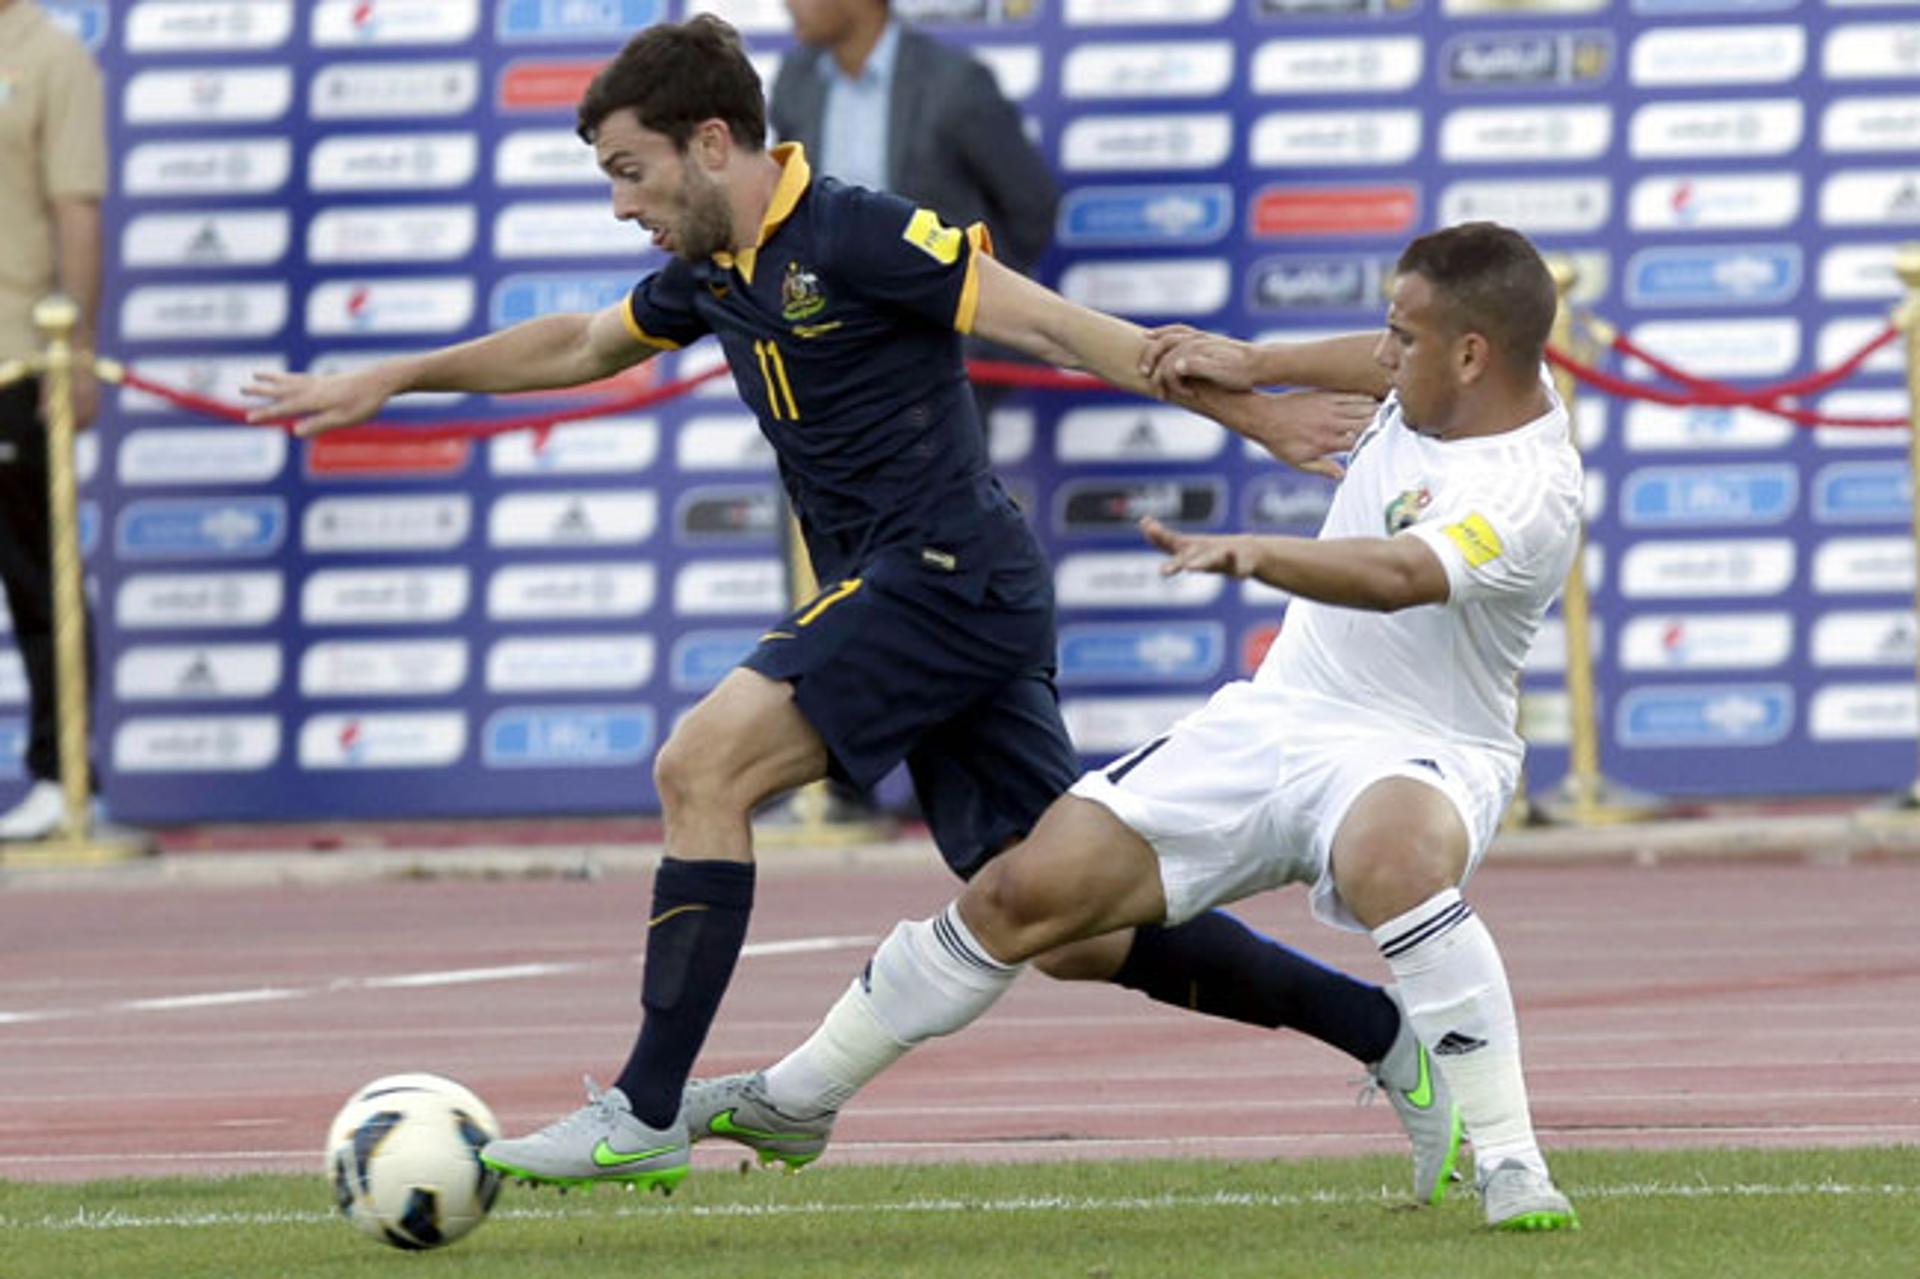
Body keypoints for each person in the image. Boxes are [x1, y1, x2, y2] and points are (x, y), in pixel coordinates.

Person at [242, 15, 1439, 1204]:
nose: (620, 207)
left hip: (943, 576)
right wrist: (395, 374)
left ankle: (645, 1107)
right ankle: (1384, 1034)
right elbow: (577, 342)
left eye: (629, 172)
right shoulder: (714, 269)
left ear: (711, 143)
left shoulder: (863, 232)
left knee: (701, 767)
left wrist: (1263, 410)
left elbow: (1069, 332)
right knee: (1061, 919)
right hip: (942, 597)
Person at [684, 223, 1584, 1232]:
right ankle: (796, 1099)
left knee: (1392, 858)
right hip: (1282, 715)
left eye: (1400, 339)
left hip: (1425, 746)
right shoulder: (1443, 377)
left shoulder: (1526, 488)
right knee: (1027, 893)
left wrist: (1257, 554)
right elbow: (1373, 363)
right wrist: (1258, 366)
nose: (1380, 355)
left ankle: (1514, 1162)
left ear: (1472, 356)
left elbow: (1397, 576)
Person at [763, 0, 1059, 829]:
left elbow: (1029, 208)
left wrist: (956, 304)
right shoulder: (794, 81)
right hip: (824, 384)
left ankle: (988, 789)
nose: (786, 7)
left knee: (930, 572)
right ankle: (846, 783)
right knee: (834, 572)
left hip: (937, 382)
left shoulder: (956, 85)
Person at [0, 0, 106, 842]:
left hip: (15, 352)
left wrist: (75, 349)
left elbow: (77, 207)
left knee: (37, 571)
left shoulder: (50, 51)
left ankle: (59, 772)